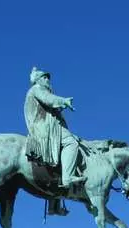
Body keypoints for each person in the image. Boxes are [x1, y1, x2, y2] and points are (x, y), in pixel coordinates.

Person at [24, 67, 84, 207]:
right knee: (71, 143)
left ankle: (54, 204)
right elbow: (48, 99)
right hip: (44, 127)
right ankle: (68, 178)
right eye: (45, 78)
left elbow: (50, 105)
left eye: (48, 78)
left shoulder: (39, 90)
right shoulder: (37, 89)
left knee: (56, 165)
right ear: (38, 80)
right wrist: (64, 101)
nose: (47, 80)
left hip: (46, 126)